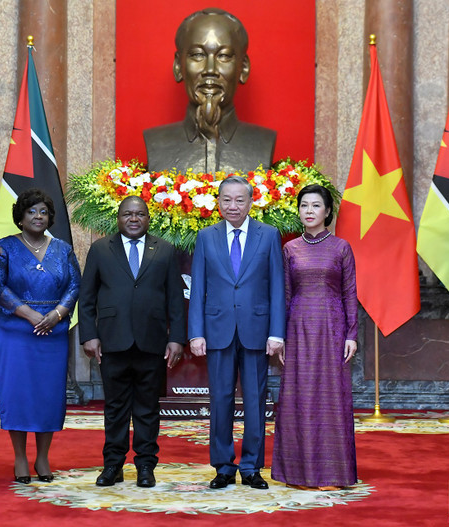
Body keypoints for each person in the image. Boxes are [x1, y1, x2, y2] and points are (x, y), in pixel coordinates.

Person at [79, 195, 186, 488]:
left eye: (140, 214)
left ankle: (145, 466)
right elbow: (86, 298)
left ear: (149, 219)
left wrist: (176, 338)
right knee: (115, 408)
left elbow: (176, 299)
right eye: (128, 214)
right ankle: (113, 464)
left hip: (152, 342)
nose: (134, 219)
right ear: (118, 218)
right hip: (113, 341)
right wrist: (89, 335)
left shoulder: (164, 250)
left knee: (147, 408)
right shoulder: (101, 249)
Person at [188, 176, 285, 490]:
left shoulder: (269, 236)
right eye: (226, 200)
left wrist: (276, 333)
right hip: (217, 330)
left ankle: (252, 467)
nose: (233, 206)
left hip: (257, 330)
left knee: (256, 400)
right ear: (218, 202)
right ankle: (224, 466)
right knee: (221, 400)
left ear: (251, 201)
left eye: (239, 200)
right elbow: (198, 287)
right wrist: (195, 333)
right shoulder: (206, 237)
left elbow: (277, 289)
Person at [0, 188, 81, 484]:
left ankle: (42, 457)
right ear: (20, 217)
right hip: (17, 333)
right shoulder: (4, 248)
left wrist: (57, 314)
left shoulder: (63, 249)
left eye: (43, 212)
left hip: (52, 334)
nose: (38, 217)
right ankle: (19, 456)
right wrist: (30, 315)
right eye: (31, 212)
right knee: (19, 394)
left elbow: (74, 285)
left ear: (50, 217)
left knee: (48, 396)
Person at [271, 184, 358, 490]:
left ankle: (332, 474)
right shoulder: (290, 249)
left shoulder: (341, 247)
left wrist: (351, 334)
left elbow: (350, 294)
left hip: (332, 329)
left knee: (329, 398)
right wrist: (278, 336)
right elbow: (283, 295)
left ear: (328, 212)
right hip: (297, 329)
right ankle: (296, 473)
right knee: (299, 397)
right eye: (304, 206)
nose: (309, 211)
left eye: (315, 206)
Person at [143, 7, 276, 174]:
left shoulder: (263, 142)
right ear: (178, 66)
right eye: (198, 55)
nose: (210, 70)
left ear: (243, 68)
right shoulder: (156, 142)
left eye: (224, 56)